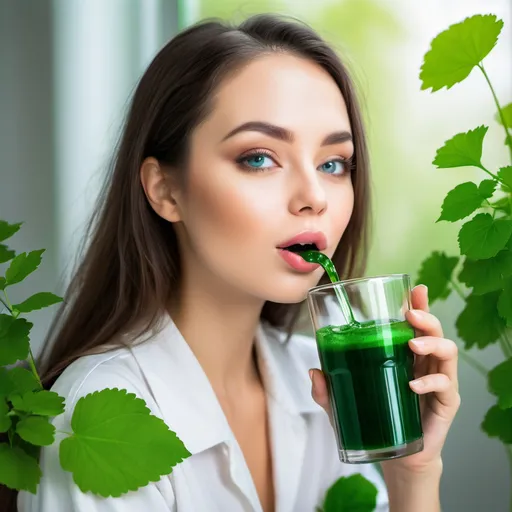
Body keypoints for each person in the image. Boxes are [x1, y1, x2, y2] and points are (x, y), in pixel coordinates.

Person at [13, 13, 460, 512]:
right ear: (164, 189)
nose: (314, 196)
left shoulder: (317, 379)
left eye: (333, 164)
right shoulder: (98, 415)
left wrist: (411, 472)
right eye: (259, 158)